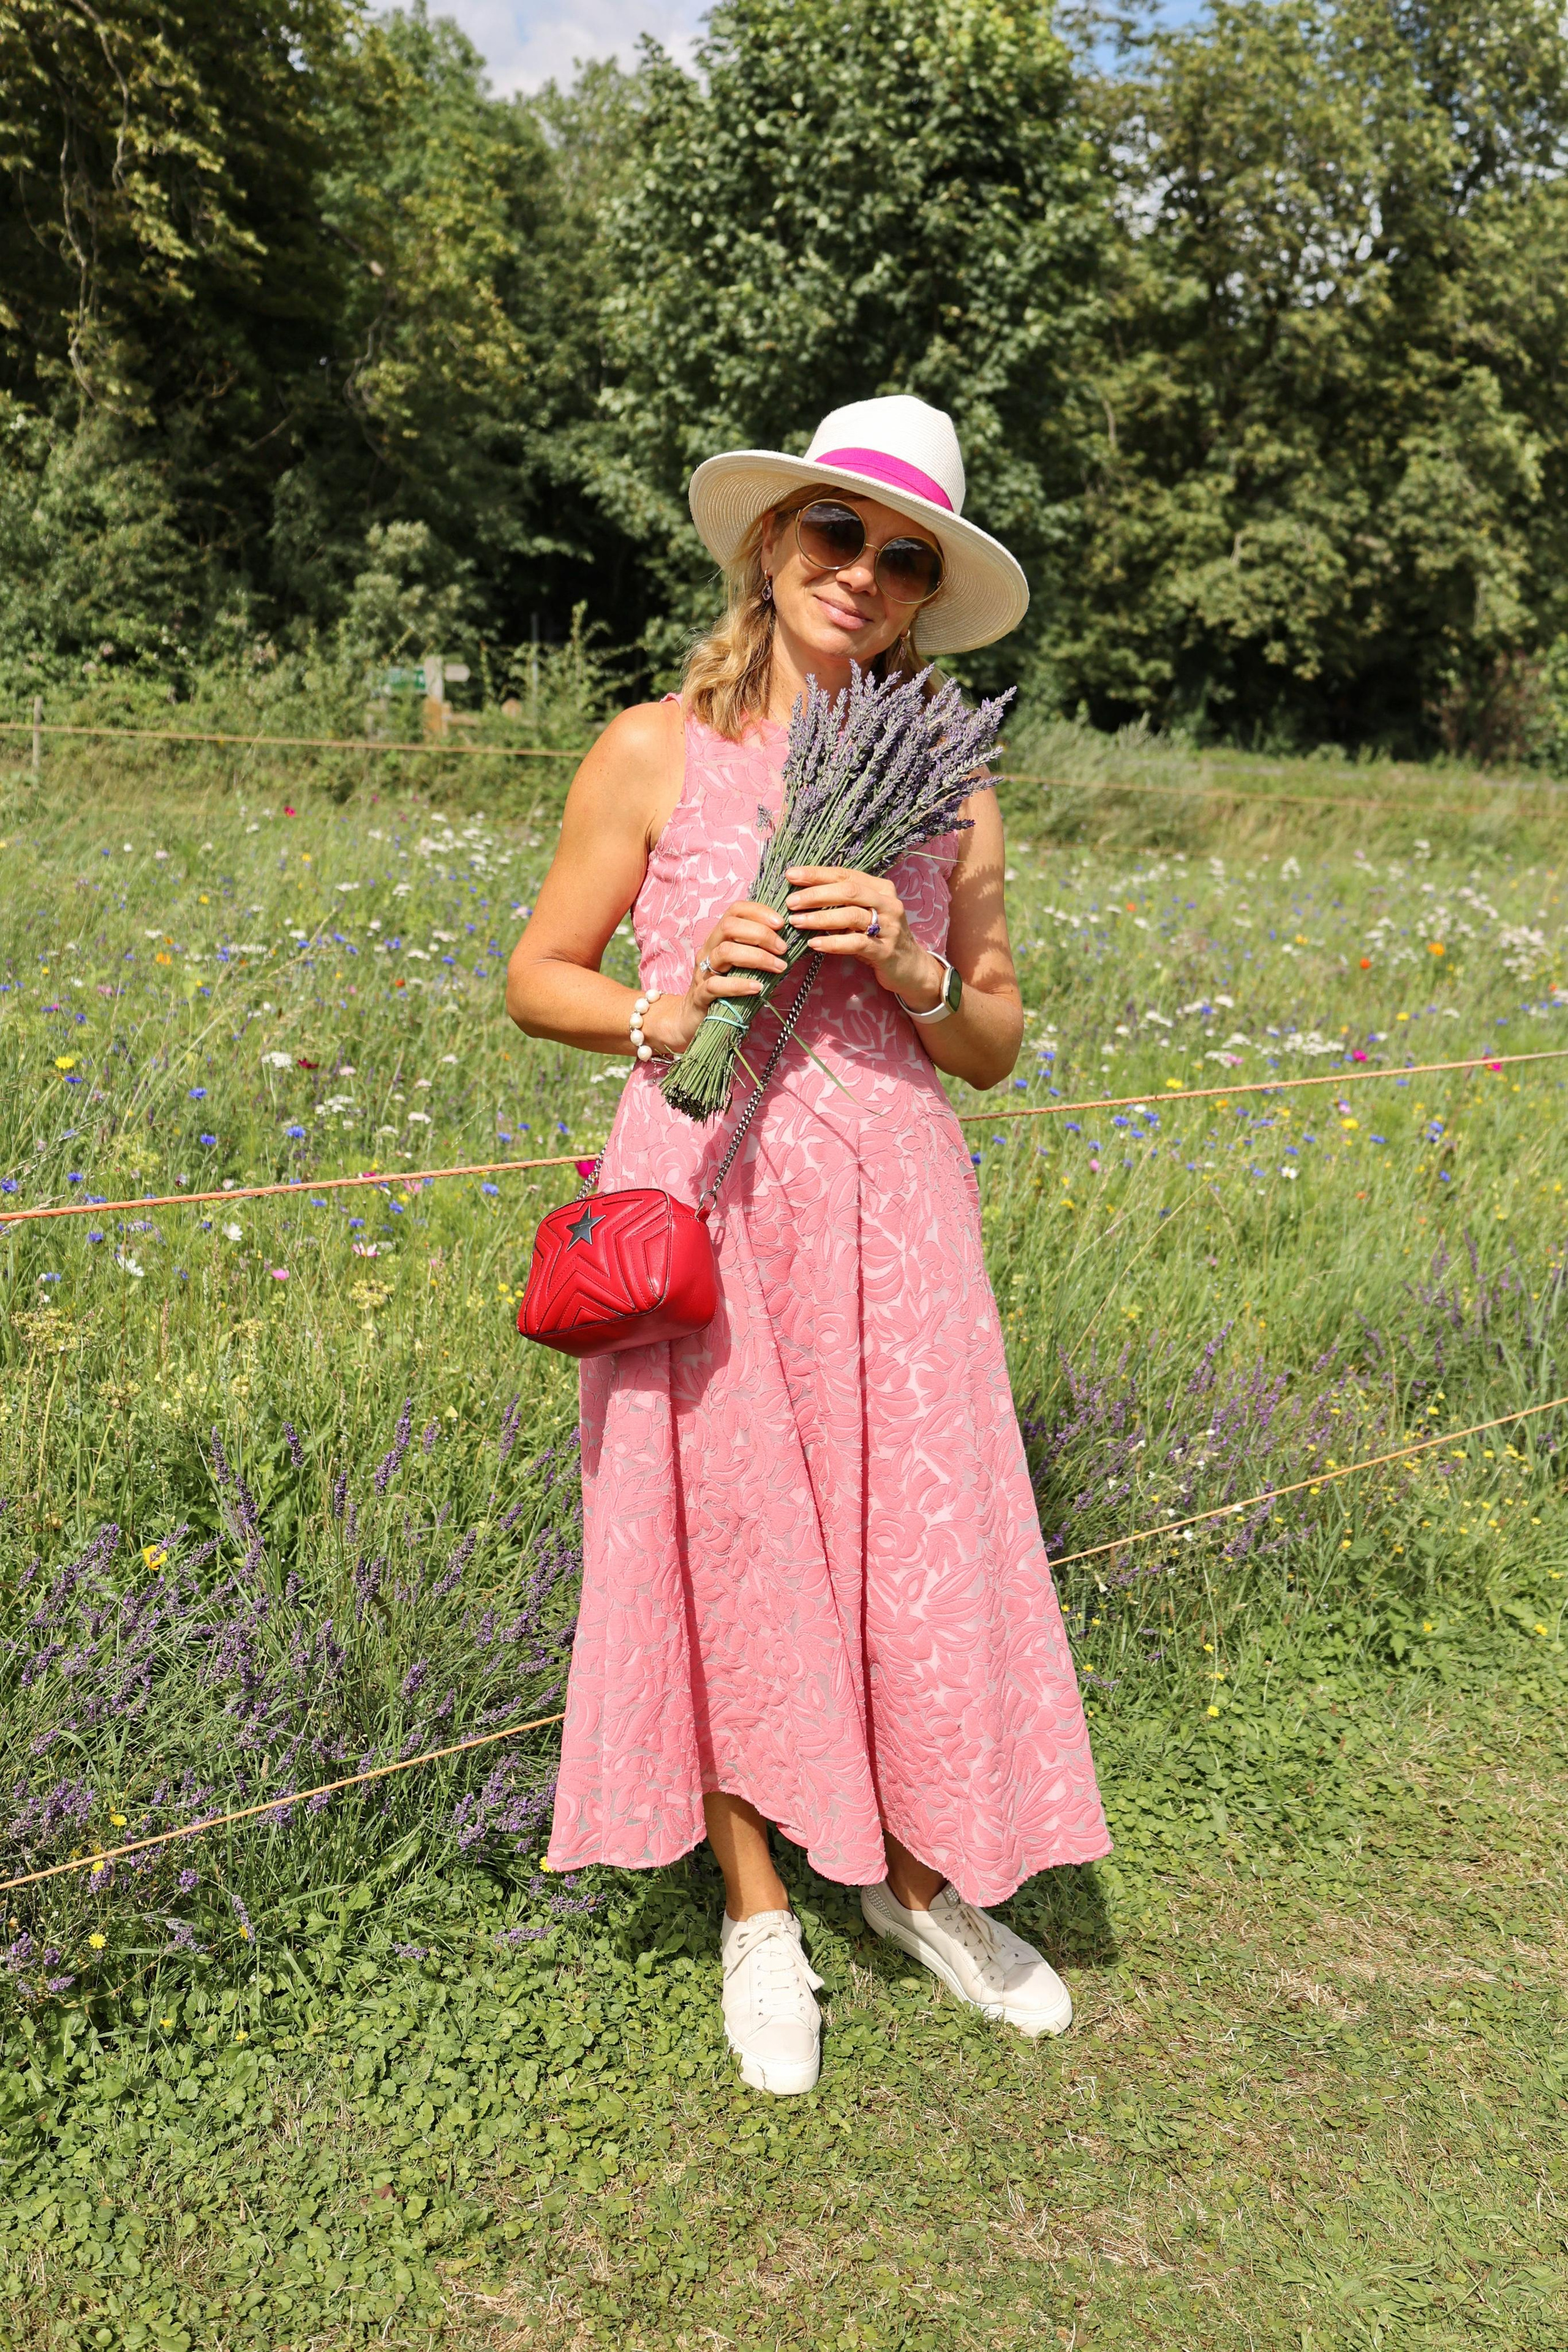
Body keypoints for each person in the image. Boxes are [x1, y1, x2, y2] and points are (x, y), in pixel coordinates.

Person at [506, 395, 1109, 2097]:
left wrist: (913, 965)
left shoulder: (951, 787)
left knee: (915, 1542)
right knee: (725, 1546)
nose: (863, 573)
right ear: (772, 545)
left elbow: (990, 1038)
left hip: (892, 1208)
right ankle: (759, 1914)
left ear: (925, 598)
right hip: (700, 1199)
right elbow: (536, 972)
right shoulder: (651, 749)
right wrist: (665, 1004)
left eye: (902, 559)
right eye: (835, 533)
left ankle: (922, 1885)